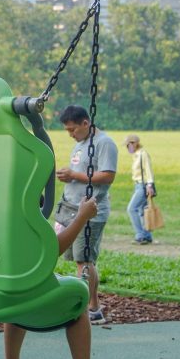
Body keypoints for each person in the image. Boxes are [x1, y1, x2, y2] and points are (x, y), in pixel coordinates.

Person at [0, 194, 111, 359]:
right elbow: (51, 250)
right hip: (31, 298)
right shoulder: (24, 217)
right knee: (77, 299)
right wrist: (81, 217)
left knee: (16, 292)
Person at [55, 105, 118, 324]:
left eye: (73, 129)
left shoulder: (104, 143)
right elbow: (83, 172)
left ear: (85, 123)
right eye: (67, 131)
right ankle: (93, 305)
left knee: (84, 259)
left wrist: (74, 175)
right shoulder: (81, 144)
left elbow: (108, 176)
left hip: (90, 211)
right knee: (81, 260)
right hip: (72, 209)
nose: (71, 134)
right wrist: (69, 176)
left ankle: (89, 308)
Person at [124, 135, 156, 244]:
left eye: (128, 145)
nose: (127, 148)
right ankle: (147, 236)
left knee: (131, 209)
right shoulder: (136, 155)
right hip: (137, 185)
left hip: (143, 186)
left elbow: (148, 170)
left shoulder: (143, 154)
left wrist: (149, 185)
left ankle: (140, 235)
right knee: (142, 211)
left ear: (134, 143)